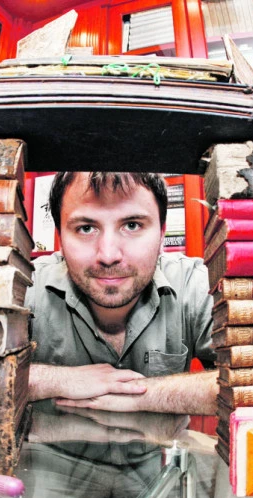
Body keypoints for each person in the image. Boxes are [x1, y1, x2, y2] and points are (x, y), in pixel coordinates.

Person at [25, 172, 217, 415]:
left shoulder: (194, 284)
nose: (108, 256)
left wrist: (145, 395)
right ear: (60, 237)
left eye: (132, 225)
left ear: (162, 234)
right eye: (86, 228)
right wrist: (57, 380)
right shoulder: (24, 286)